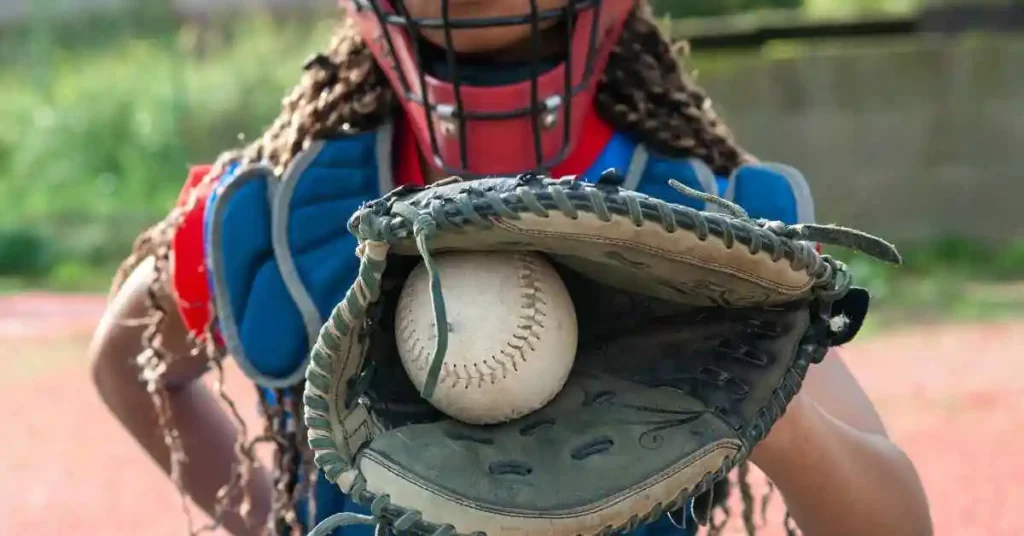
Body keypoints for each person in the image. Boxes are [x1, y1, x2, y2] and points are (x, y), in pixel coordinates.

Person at [89, 1, 933, 535]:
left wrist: (762, 402)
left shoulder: (720, 218)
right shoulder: (275, 212)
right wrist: (267, 519)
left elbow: (896, 525)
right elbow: (125, 361)